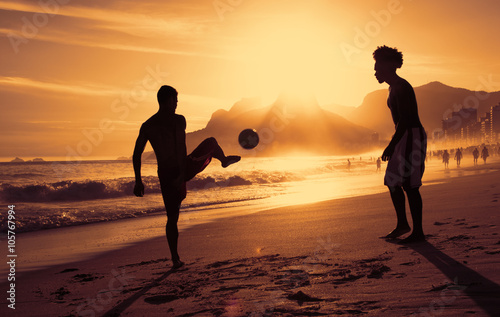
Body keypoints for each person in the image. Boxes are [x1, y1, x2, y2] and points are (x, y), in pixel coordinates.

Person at [133, 85, 241, 269]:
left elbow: (137, 154)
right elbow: (179, 148)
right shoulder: (177, 121)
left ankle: (175, 259)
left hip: (167, 174)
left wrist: (138, 181)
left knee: (172, 217)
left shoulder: (148, 125)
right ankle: (222, 160)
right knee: (173, 216)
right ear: (167, 100)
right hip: (180, 169)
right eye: (175, 100)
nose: (177, 103)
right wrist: (181, 175)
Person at [374, 46, 427, 243]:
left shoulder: (401, 87)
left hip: (411, 136)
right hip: (405, 136)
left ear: (389, 66)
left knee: (410, 185)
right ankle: (403, 224)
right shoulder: (392, 87)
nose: (375, 71)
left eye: (378, 67)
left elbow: (405, 120)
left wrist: (391, 145)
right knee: (392, 181)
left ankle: (418, 232)